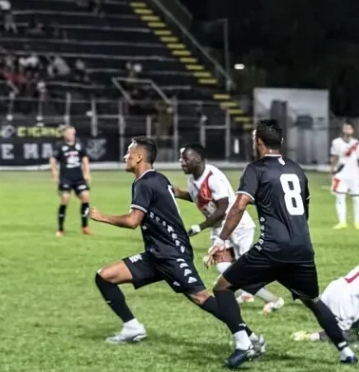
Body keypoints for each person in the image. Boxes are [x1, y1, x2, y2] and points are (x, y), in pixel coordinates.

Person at [87, 137, 266, 357]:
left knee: (201, 297)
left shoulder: (145, 182)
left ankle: (250, 337)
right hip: (155, 255)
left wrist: (101, 217)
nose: (126, 156)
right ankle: (132, 327)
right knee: (104, 276)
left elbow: (133, 221)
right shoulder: (157, 179)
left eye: (129, 152)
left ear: (139, 157)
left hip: (172, 254)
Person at [208, 119, 358, 369]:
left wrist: (221, 240)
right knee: (313, 301)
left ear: (258, 142)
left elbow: (239, 206)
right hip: (301, 249)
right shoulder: (297, 170)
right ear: (282, 142)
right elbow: (303, 212)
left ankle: (244, 344)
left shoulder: (255, 169)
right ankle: (346, 351)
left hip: (271, 249)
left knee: (222, 288)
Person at [172, 143, 285, 314]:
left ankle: (274, 299)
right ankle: (248, 293)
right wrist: (180, 193)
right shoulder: (193, 180)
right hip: (220, 228)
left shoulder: (212, 176)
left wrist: (200, 226)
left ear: (198, 159)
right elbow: (201, 199)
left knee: (242, 271)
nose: (182, 162)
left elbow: (223, 208)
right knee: (224, 267)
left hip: (237, 225)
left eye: (185, 159)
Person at [49, 125, 92, 236]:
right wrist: (54, 173)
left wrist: (87, 173)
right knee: (65, 199)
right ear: (65, 134)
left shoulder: (79, 145)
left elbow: (85, 158)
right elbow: (53, 160)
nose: (72, 135)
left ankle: (85, 226)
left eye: (73, 133)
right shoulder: (59, 146)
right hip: (65, 178)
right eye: (69, 133)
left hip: (78, 178)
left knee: (85, 197)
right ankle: (60, 229)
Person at [329, 121, 359, 229]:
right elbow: (333, 157)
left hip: (354, 175)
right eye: (345, 128)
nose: (347, 130)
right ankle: (342, 222)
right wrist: (331, 170)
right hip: (341, 174)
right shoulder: (336, 142)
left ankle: (357, 223)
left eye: (349, 128)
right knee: (340, 197)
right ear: (343, 130)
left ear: (353, 130)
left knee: (357, 198)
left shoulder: (357, 144)